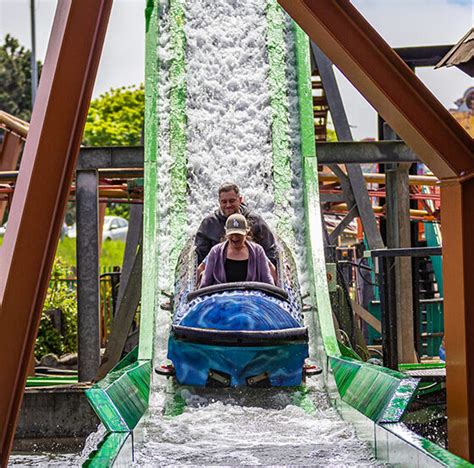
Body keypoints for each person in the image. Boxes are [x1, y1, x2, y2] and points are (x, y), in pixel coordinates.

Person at [195, 183, 276, 265]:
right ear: (219, 202)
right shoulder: (209, 223)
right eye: (224, 202)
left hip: (252, 271)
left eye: (232, 201)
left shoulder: (255, 221)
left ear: (240, 200)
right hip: (218, 271)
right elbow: (200, 255)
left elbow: (270, 251)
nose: (228, 205)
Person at [200, 214, 274, 288]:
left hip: (251, 297)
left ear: (246, 232)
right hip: (221, 297)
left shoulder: (258, 251)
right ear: (226, 233)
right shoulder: (215, 252)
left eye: (239, 234)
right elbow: (206, 281)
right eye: (231, 234)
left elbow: (267, 280)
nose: (235, 238)